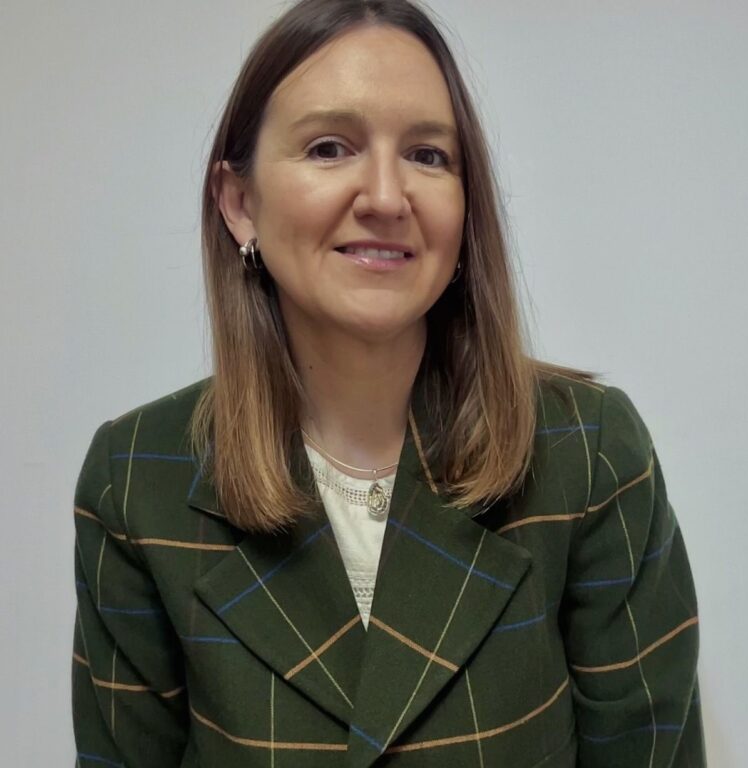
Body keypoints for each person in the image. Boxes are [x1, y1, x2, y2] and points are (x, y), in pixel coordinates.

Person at [71, 0, 705, 765]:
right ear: (240, 203)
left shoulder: (590, 451)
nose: (383, 196)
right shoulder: (137, 479)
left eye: (428, 156)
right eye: (329, 147)